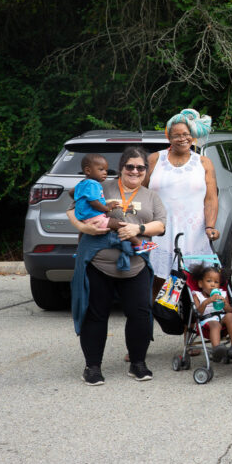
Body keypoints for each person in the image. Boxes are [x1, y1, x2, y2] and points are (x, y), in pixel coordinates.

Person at [68, 146, 166, 385]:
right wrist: (83, 228)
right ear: (121, 168)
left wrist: (139, 229)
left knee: (141, 313)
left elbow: (161, 225)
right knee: (95, 315)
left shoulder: (151, 196)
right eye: (129, 166)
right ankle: (92, 367)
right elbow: (72, 210)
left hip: (135, 264)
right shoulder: (101, 186)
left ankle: (138, 363)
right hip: (98, 263)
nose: (134, 171)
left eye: (140, 167)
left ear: (146, 170)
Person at [145, 108, 219, 295]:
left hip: (194, 233)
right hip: (160, 231)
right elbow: (141, 193)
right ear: (168, 137)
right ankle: (165, 321)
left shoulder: (204, 163)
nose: (182, 139)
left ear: (192, 136)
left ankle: (190, 323)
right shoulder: (155, 159)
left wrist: (210, 226)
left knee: (193, 284)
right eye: (176, 135)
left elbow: (210, 199)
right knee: (159, 283)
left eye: (186, 134)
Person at [190, 264, 232, 359]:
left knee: (230, 316)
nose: (213, 284)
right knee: (215, 324)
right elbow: (197, 313)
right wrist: (207, 301)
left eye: (216, 282)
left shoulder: (222, 293)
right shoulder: (197, 296)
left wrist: (225, 304)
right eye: (209, 281)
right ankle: (217, 349)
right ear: (201, 283)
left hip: (222, 317)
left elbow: (230, 310)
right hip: (207, 320)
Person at [73, 154, 123, 233]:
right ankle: (138, 243)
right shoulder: (93, 184)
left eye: (106, 170)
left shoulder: (81, 183)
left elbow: (71, 193)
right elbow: (94, 202)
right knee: (119, 224)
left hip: (85, 218)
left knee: (84, 234)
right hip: (94, 218)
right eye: (101, 169)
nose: (105, 173)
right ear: (88, 171)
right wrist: (108, 207)